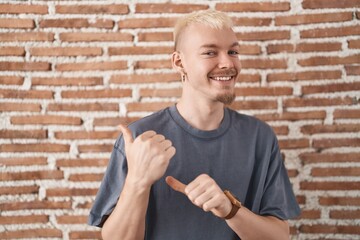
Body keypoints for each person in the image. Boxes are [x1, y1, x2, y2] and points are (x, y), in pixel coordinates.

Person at [88, 9, 301, 240]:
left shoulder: (260, 137)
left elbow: (279, 236)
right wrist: (137, 182)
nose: (228, 62)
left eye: (233, 51)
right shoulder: (140, 138)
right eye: (210, 52)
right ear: (179, 62)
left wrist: (230, 210)